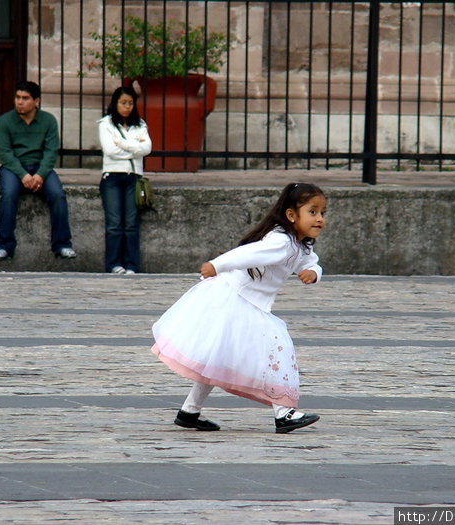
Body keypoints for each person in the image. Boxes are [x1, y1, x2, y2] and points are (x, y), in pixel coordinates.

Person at [151, 183, 327, 433]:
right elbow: (249, 254)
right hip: (237, 299)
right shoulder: (281, 241)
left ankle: (189, 411)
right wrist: (217, 264)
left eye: (323, 213)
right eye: (313, 212)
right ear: (291, 215)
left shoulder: (300, 244)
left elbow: (312, 262)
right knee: (278, 347)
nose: (319, 218)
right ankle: (284, 413)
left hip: (249, 303)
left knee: (218, 357)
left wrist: (313, 272)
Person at [0, 80, 76, 261]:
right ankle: (4, 245)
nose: (20, 102)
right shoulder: (5, 121)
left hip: (39, 167)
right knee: (9, 194)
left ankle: (62, 244)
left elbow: (51, 151)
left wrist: (40, 175)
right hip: (14, 168)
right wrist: (23, 175)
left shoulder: (48, 121)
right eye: (17, 97)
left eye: (25, 98)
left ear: (36, 101)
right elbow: (5, 153)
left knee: (57, 194)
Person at [98, 86, 152, 274]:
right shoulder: (106, 124)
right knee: (114, 223)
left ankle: (131, 264)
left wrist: (121, 143)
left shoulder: (140, 124)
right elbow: (109, 151)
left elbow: (147, 149)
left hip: (133, 177)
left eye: (130, 103)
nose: (127, 107)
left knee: (131, 223)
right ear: (115, 103)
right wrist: (133, 147)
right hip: (112, 176)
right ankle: (113, 264)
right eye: (123, 103)